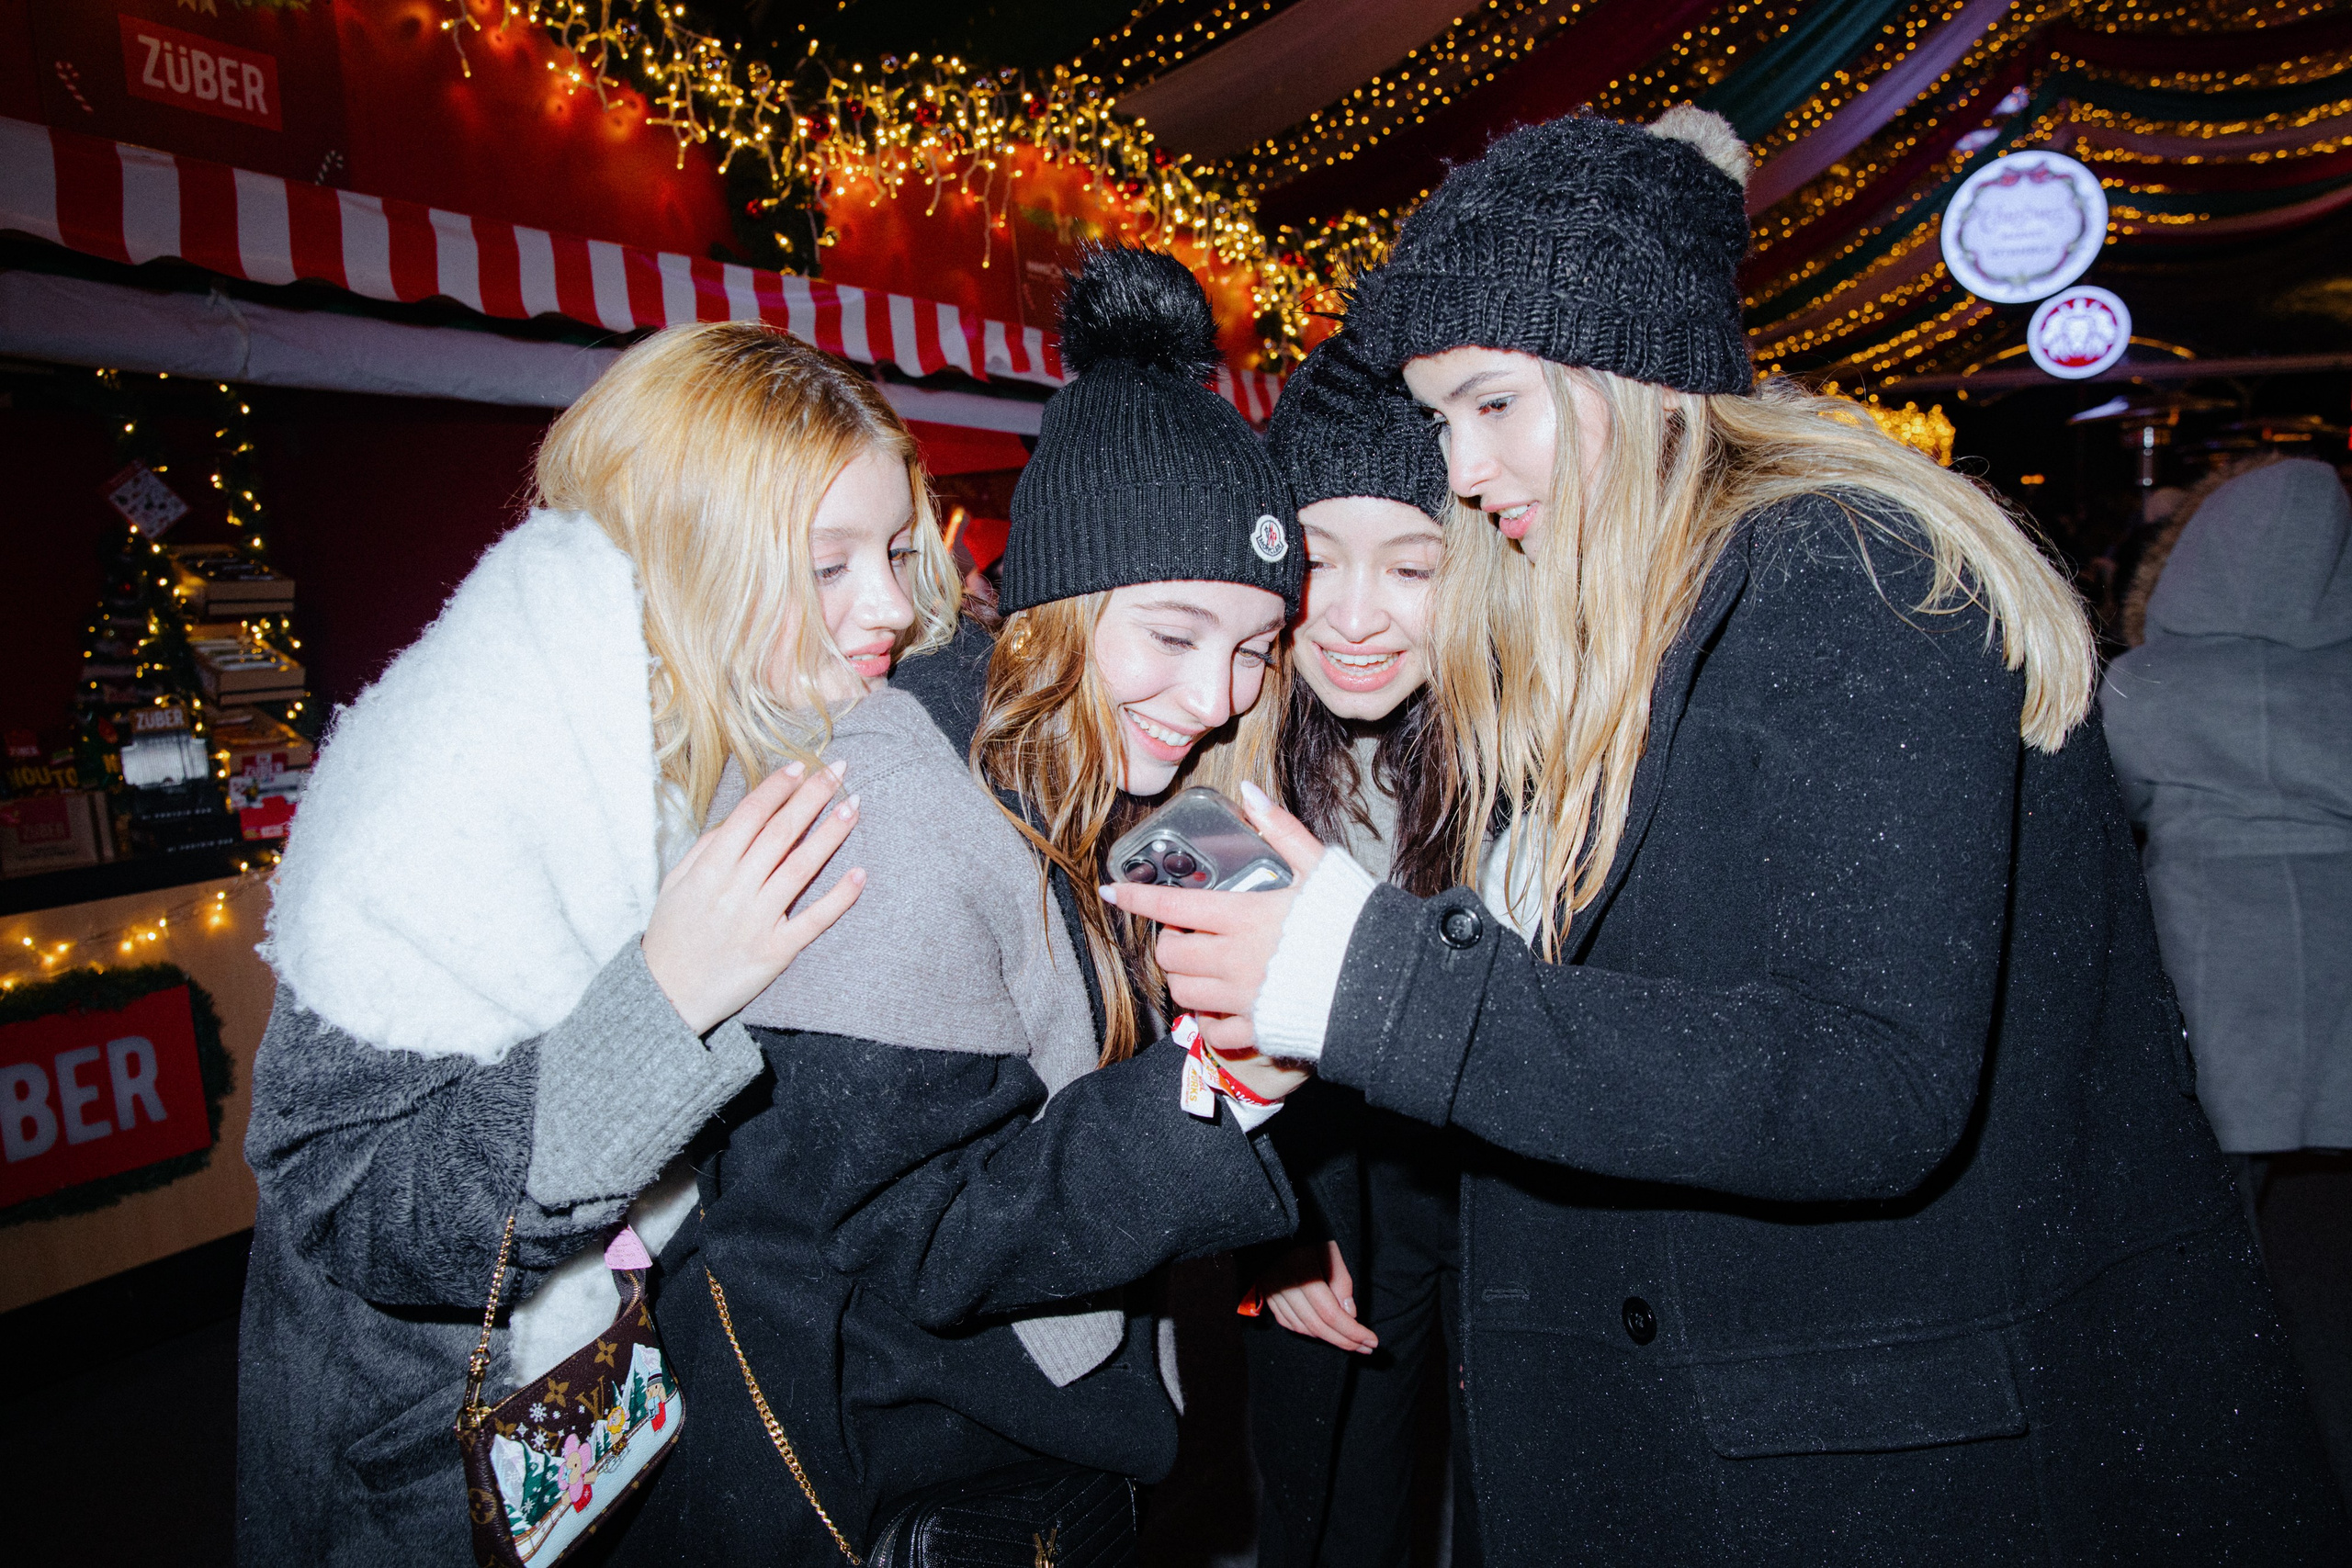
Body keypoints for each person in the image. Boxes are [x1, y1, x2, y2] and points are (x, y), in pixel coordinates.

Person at [1109, 107, 2348, 1561]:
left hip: (1870, 1443)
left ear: (1630, 368)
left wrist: (1363, 971)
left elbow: (1871, 1077)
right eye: (1443, 418)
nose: (1463, 462)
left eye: (1491, 405)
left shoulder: (1848, 573)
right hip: (1753, 1412)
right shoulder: (1663, 599)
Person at [611, 246, 1311, 1564]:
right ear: (1055, 600)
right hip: (924, 1490)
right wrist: (1223, 1092)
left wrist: (1272, 1214)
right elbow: (918, 1236)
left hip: (1043, 1455)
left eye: (1255, 648)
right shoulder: (898, 801)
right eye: (1173, 632)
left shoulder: (1105, 765)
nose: (1220, 691)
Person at [236, 323, 919, 1565]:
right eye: (830, 564)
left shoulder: (738, 719)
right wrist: (659, 1008)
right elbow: (341, 1194)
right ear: (698, 560)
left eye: (893, 550)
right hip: (419, 1471)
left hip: (613, 1420)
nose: (893, 602)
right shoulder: (451, 772)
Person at [1243, 329, 1472, 1568]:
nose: (1352, 616)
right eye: (1317, 556)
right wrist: (1261, 1221)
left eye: (1413, 563)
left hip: (1515, 1188)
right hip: (1326, 1185)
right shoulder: (1227, 737)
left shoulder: (1543, 749)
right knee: (1341, 1509)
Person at [2103, 455, 2352, 1504]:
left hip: (2206, 944)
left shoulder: (2146, 681)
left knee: (2215, 1213)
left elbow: (2114, 817)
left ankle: (2231, 1426)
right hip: (2337, 946)